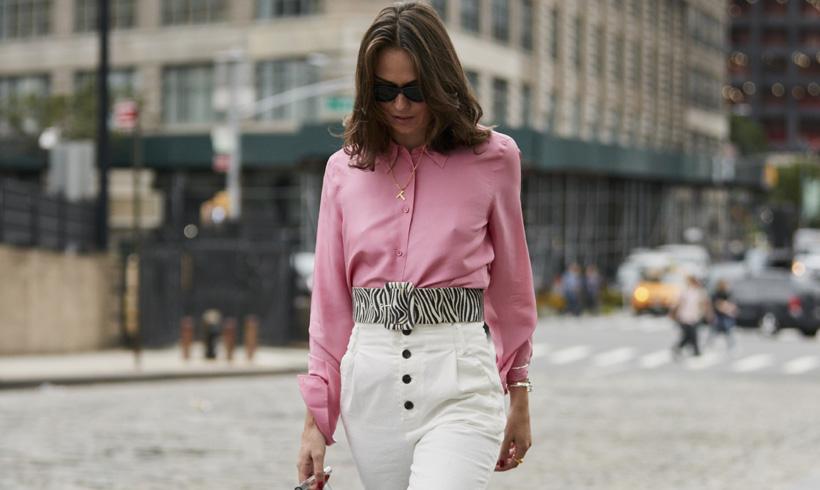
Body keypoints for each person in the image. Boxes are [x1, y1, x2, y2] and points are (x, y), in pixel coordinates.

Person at [295, 3, 536, 489]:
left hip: (460, 384)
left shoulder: (494, 158)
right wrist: (316, 423)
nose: (400, 105)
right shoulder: (344, 170)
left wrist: (519, 389)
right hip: (372, 389)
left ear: (442, 83)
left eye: (415, 90)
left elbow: (511, 287)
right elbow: (330, 306)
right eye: (385, 91)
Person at [670, 275, 712, 359]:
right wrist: (674, 313)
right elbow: (679, 304)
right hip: (685, 316)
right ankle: (694, 351)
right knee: (690, 335)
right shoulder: (686, 292)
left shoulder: (699, 292)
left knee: (691, 334)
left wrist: (706, 313)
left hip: (694, 316)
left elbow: (704, 303)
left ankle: (690, 350)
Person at [705, 279, 738, 352]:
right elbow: (716, 304)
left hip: (726, 316)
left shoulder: (728, 294)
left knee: (728, 331)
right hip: (718, 315)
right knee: (714, 331)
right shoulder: (716, 294)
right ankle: (709, 345)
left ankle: (732, 346)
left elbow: (732, 304)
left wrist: (729, 309)